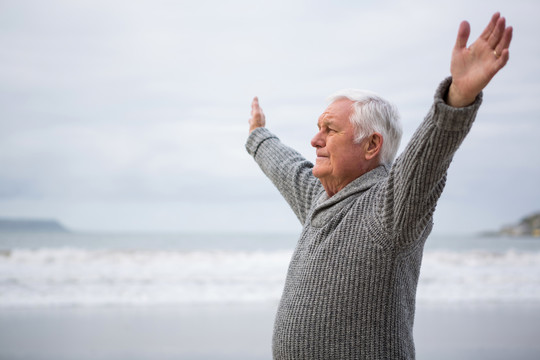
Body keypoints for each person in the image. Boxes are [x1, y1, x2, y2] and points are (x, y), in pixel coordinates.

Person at [246, 13, 512, 360]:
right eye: (318, 128)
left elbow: (424, 163)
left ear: (371, 145)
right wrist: (258, 136)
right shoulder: (320, 197)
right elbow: (287, 167)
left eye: (330, 130)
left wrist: (456, 99)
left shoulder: (387, 210)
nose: (315, 140)